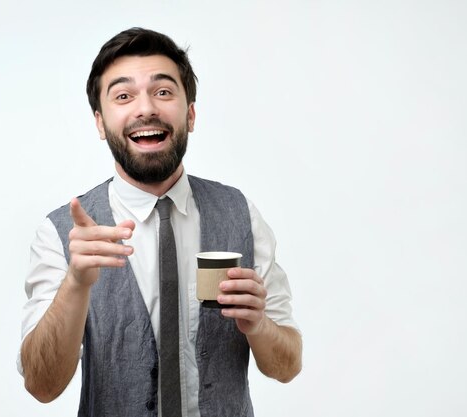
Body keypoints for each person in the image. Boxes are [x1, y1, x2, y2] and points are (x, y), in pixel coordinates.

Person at [17, 27, 302, 417]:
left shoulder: (242, 215)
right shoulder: (60, 234)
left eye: (163, 92)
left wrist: (258, 326)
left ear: (190, 114)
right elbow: (41, 385)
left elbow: (288, 366)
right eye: (123, 95)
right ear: (100, 123)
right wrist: (75, 285)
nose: (145, 108)